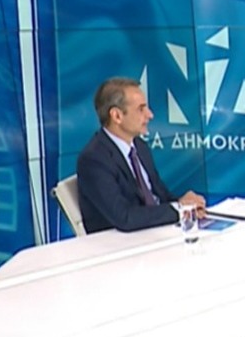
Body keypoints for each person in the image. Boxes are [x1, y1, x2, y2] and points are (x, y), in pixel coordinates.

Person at [77, 77, 206, 233]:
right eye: (141, 109)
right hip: (124, 243)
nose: (150, 115)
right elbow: (125, 218)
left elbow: (161, 196)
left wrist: (187, 205)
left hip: (157, 232)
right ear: (117, 116)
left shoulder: (140, 146)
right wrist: (179, 209)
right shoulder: (94, 160)